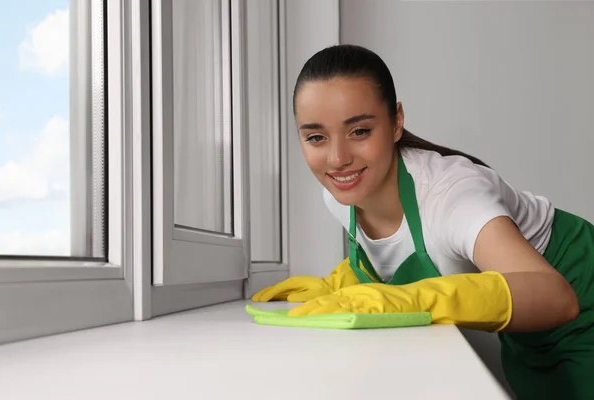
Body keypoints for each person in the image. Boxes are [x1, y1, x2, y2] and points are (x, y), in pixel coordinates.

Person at [251, 44, 594, 399]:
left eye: (359, 131)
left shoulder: (453, 194)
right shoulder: (338, 196)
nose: (337, 159)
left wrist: (418, 299)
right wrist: (341, 282)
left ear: (396, 121)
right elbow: (402, 249)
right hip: (525, 332)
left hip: (581, 296)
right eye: (316, 137)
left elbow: (558, 299)